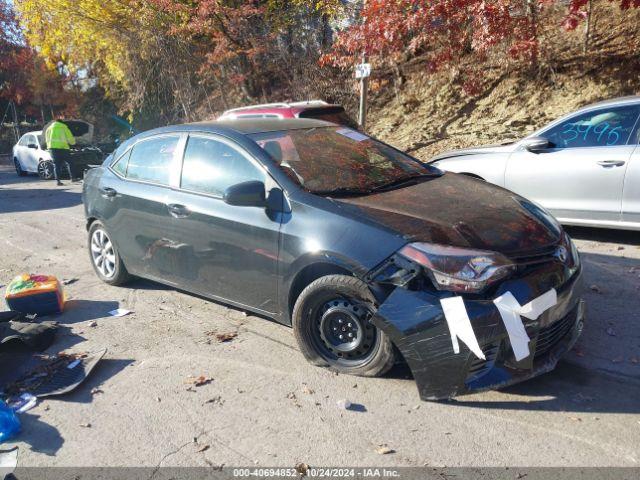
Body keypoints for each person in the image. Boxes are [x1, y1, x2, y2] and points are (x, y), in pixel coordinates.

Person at [44, 118, 75, 186]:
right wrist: (73, 143)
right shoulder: (63, 127)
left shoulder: (48, 128)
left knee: (57, 165)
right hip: (63, 148)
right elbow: (70, 138)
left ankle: (58, 181)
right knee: (70, 163)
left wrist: (49, 147)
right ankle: (73, 178)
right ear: (61, 122)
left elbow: (46, 139)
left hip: (53, 149)